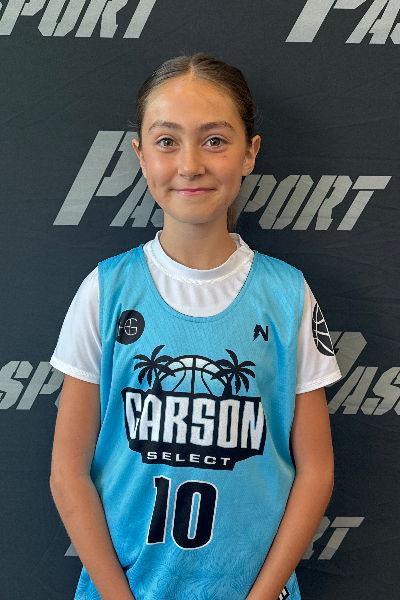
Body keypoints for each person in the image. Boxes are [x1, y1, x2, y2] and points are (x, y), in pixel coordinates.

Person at [49, 53, 341, 600]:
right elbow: (68, 472)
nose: (190, 164)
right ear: (140, 155)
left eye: (214, 140)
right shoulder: (105, 291)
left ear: (250, 152)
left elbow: (316, 471)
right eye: (167, 141)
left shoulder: (287, 296)